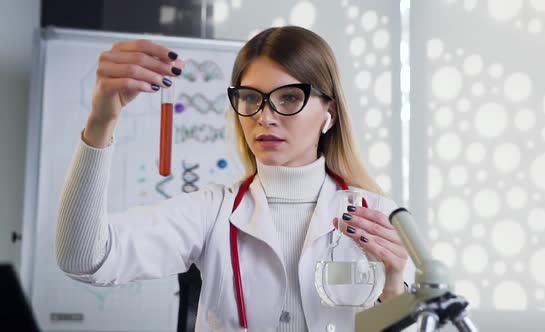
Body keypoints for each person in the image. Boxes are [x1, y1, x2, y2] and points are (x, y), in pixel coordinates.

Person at [56, 26, 412, 332]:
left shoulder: (380, 216)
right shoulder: (212, 211)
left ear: (329, 114)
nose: (265, 117)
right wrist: (102, 120)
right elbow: (84, 258)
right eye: (251, 98)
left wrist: (395, 288)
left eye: (289, 98)